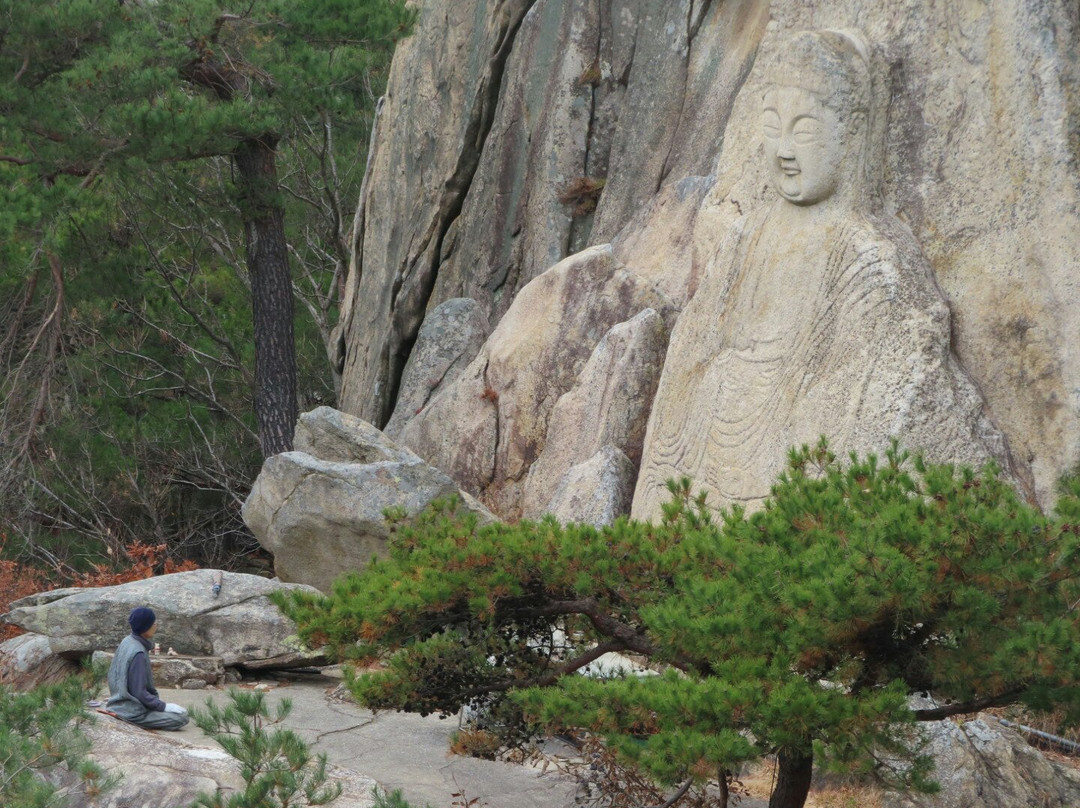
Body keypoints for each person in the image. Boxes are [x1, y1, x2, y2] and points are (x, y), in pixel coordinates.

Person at [105, 606, 189, 730]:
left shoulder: (127, 641)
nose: (156, 625)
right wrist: (163, 706)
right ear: (146, 627)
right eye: (154, 623)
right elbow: (139, 692)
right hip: (131, 711)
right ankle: (130, 719)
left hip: (118, 703)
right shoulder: (138, 653)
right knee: (181, 717)